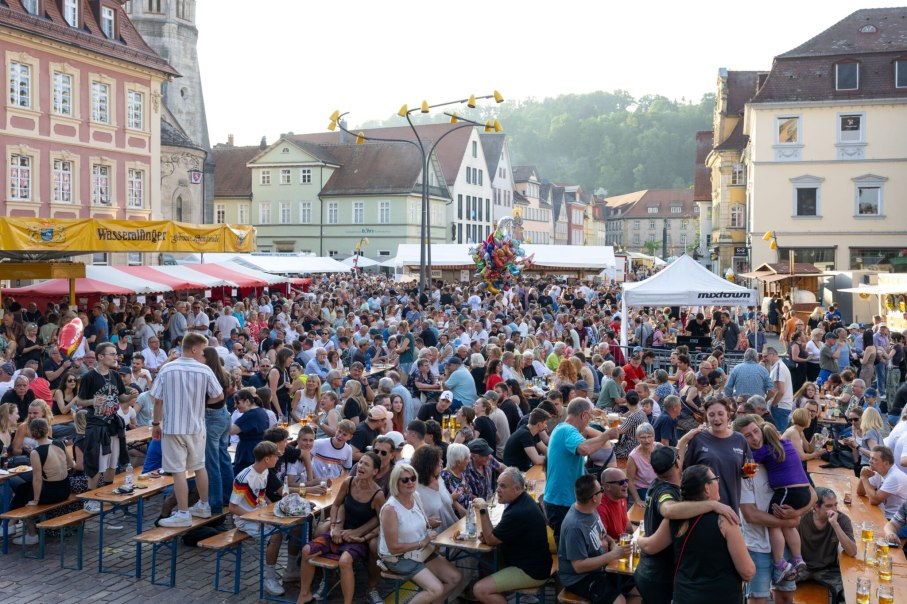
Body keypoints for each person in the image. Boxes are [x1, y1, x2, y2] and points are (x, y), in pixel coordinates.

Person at [638, 464, 755, 604]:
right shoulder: (726, 520)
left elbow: (650, 546)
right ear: (706, 488)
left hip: (685, 596)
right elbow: (747, 571)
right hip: (721, 597)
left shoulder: (674, 519)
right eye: (715, 478)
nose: (718, 481)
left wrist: (638, 539)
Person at [151, 332, 224, 527]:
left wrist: (155, 424)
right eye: (201, 350)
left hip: (174, 427)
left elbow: (157, 399)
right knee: (199, 467)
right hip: (197, 426)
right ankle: (204, 504)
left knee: (178, 471)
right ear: (194, 349)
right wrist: (201, 404)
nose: (203, 354)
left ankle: (183, 512)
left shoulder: (167, 369)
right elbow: (218, 396)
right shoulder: (204, 370)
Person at [297, 451, 385, 604]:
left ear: (375, 471)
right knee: (306, 551)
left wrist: (360, 534)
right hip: (339, 531)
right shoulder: (349, 482)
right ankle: (304, 594)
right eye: (361, 462)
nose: (361, 466)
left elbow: (381, 520)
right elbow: (336, 504)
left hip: (357, 539)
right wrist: (334, 527)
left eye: (366, 464)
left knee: (345, 561)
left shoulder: (377, 494)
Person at [734, 414, 813, 582]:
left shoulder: (761, 454)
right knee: (787, 526)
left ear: (762, 430)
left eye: (756, 432)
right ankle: (797, 558)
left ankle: (780, 564)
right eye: (748, 435)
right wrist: (794, 518)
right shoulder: (785, 444)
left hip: (788, 493)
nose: (755, 439)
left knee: (774, 524)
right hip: (801, 492)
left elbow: (745, 471)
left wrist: (796, 515)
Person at [377, 464, 467, 604]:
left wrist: (428, 523)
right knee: (435, 589)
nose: (410, 482)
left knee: (455, 577)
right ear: (395, 482)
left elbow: (411, 523)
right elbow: (393, 547)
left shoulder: (415, 496)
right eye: (405, 480)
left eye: (413, 478)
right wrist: (422, 542)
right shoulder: (390, 509)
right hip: (399, 558)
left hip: (421, 551)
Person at [472, 467, 553, 604]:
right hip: (537, 564)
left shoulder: (518, 511)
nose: (497, 489)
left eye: (503, 486)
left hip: (531, 571)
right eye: (497, 484)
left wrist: (483, 509)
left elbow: (491, 540)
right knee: (486, 559)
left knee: (480, 589)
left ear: (516, 489)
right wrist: (491, 535)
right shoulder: (522, 501)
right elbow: (500, 533)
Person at [544, 397, 619, 543]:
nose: (589, 422)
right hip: (561, 501)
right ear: (584, 415)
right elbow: (585, 448)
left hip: (560, 499)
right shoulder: (568, 430)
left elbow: (584, 446)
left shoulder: (562, 428)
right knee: (567, 550)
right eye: (589, 417)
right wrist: (606, 435)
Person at [558, 474, 637, 604]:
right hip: (580, 578)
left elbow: (602, 534)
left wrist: (612, 544)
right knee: (620, 601)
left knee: (637, 585)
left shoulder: (590, 509)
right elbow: (579, 566)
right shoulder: (574, 526)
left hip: (601, 567)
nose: (603, 492)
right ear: (594, 498)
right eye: (601, 490)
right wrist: (612, 555)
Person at [73, 342, 130, 513]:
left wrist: (132, 395)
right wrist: (92, 401)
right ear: (100, 356)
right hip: (96, 425)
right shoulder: (89, 377)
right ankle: (90, 499)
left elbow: (121, 397)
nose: (115, 356)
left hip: (113, 424)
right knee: (96, 463)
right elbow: (79, 401)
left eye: (115, 354)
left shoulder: (115, 375)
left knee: (113, 464)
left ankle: (107, 496)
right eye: (111, 354)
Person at [229, 440, 286, 596]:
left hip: (259, 514)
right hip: (245, 520)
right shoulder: (244, 477)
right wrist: (257, 518)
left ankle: (291, 569)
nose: (277, 459)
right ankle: (269, 578)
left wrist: (271, 507)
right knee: (276, 534)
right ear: (267, 459)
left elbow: (261, 495)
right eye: (276, 456)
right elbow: (233, 507)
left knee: (289, 527)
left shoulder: (265, 471)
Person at [10, 418, 73, 546]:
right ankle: (11, 524)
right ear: (46, 430)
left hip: (52, 493)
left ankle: (29, 533)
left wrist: (35, 501)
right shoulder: (59, 443)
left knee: (24, 494)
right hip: (65, 489)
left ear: (32, 434)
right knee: (23, 488)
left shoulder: (36, 452)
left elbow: (37, 479)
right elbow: (71, 464)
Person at [680, 397, 749, 512]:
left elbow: (745, 470)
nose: (716, 419)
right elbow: (685, 472)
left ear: (728, 415)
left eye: (720, 414)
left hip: (731, 506)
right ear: (706, 417)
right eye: (711, 415)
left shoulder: (740, 439)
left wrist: (747, 473)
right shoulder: (698, 439)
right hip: (703, 508)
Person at [796, 487, 857, 601]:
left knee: (849, 593)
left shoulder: (842, 520)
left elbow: (852, 551)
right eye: (829, 506)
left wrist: (835, 525)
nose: (834, 510)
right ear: (815, 506)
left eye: (835, 505)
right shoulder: (801, 519)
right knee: (779, 585)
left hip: (827, 569)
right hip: (801, 567)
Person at [411, 445, 460, 531]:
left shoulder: (439, 479)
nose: (442, 461)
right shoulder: (415, 489)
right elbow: (411, 519)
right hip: (433, 539)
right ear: (428, 464)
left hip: (452, 532)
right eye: (438, 460)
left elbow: (442, 502)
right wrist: (426, 523)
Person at [857, 445, 907, 519]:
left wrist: (864, 478)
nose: (870, 461)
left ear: (886, 463)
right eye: (870, 458)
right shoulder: (879, 471)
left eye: (874, 459)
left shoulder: (894, 477)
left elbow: (874, 500)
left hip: (896, 520)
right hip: (884, 514)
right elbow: (860, 492)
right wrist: (864, 477)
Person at [626, 423, 658, 507]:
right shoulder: (633, 456)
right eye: (643, 437)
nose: (647, 440)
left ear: (653, 436)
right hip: (644, 488)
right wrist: (638, 500)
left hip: (659, 485)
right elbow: (629, 480)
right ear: (637, 439)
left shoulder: (659, 447)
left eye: (649, 436)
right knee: (653, 506)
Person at [597, 467, 633, 540]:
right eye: (621, 482)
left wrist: (633, 537)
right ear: (607, 486)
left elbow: (626, 521)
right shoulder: (600, 508)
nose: (626, 485)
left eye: (626, 480)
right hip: (615, 547)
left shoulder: (621, 497)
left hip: (624, 540)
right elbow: (602, 538)